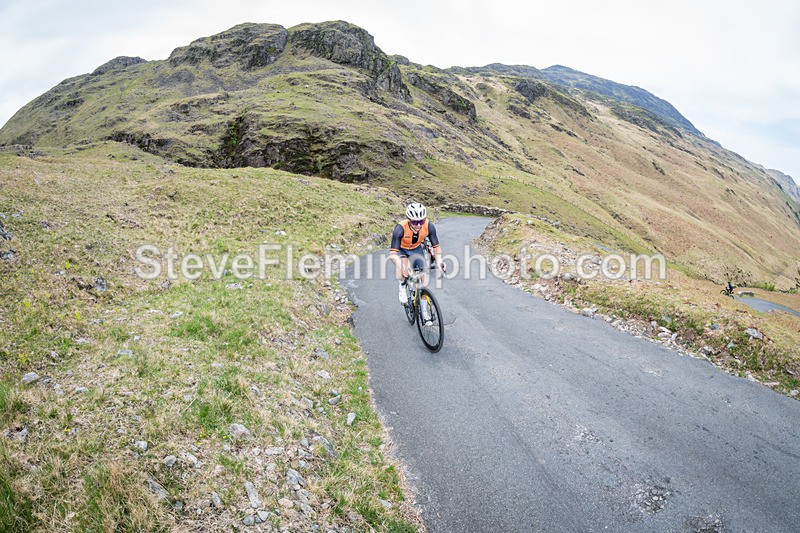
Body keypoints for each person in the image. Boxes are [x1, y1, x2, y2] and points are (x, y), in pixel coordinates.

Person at [389, 203, 446, 323]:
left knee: (425, 283)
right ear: (409, 220)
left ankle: (424, 312)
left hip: (416, 249)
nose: (419, 225)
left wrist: (439, 261)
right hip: (402, 249)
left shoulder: (429, 226)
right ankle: (402, 286)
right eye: (415, 222)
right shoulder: (400, 229)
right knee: (403, 268)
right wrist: (401, 266)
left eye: (421, 221)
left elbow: (436, 247)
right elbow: (393, 254)